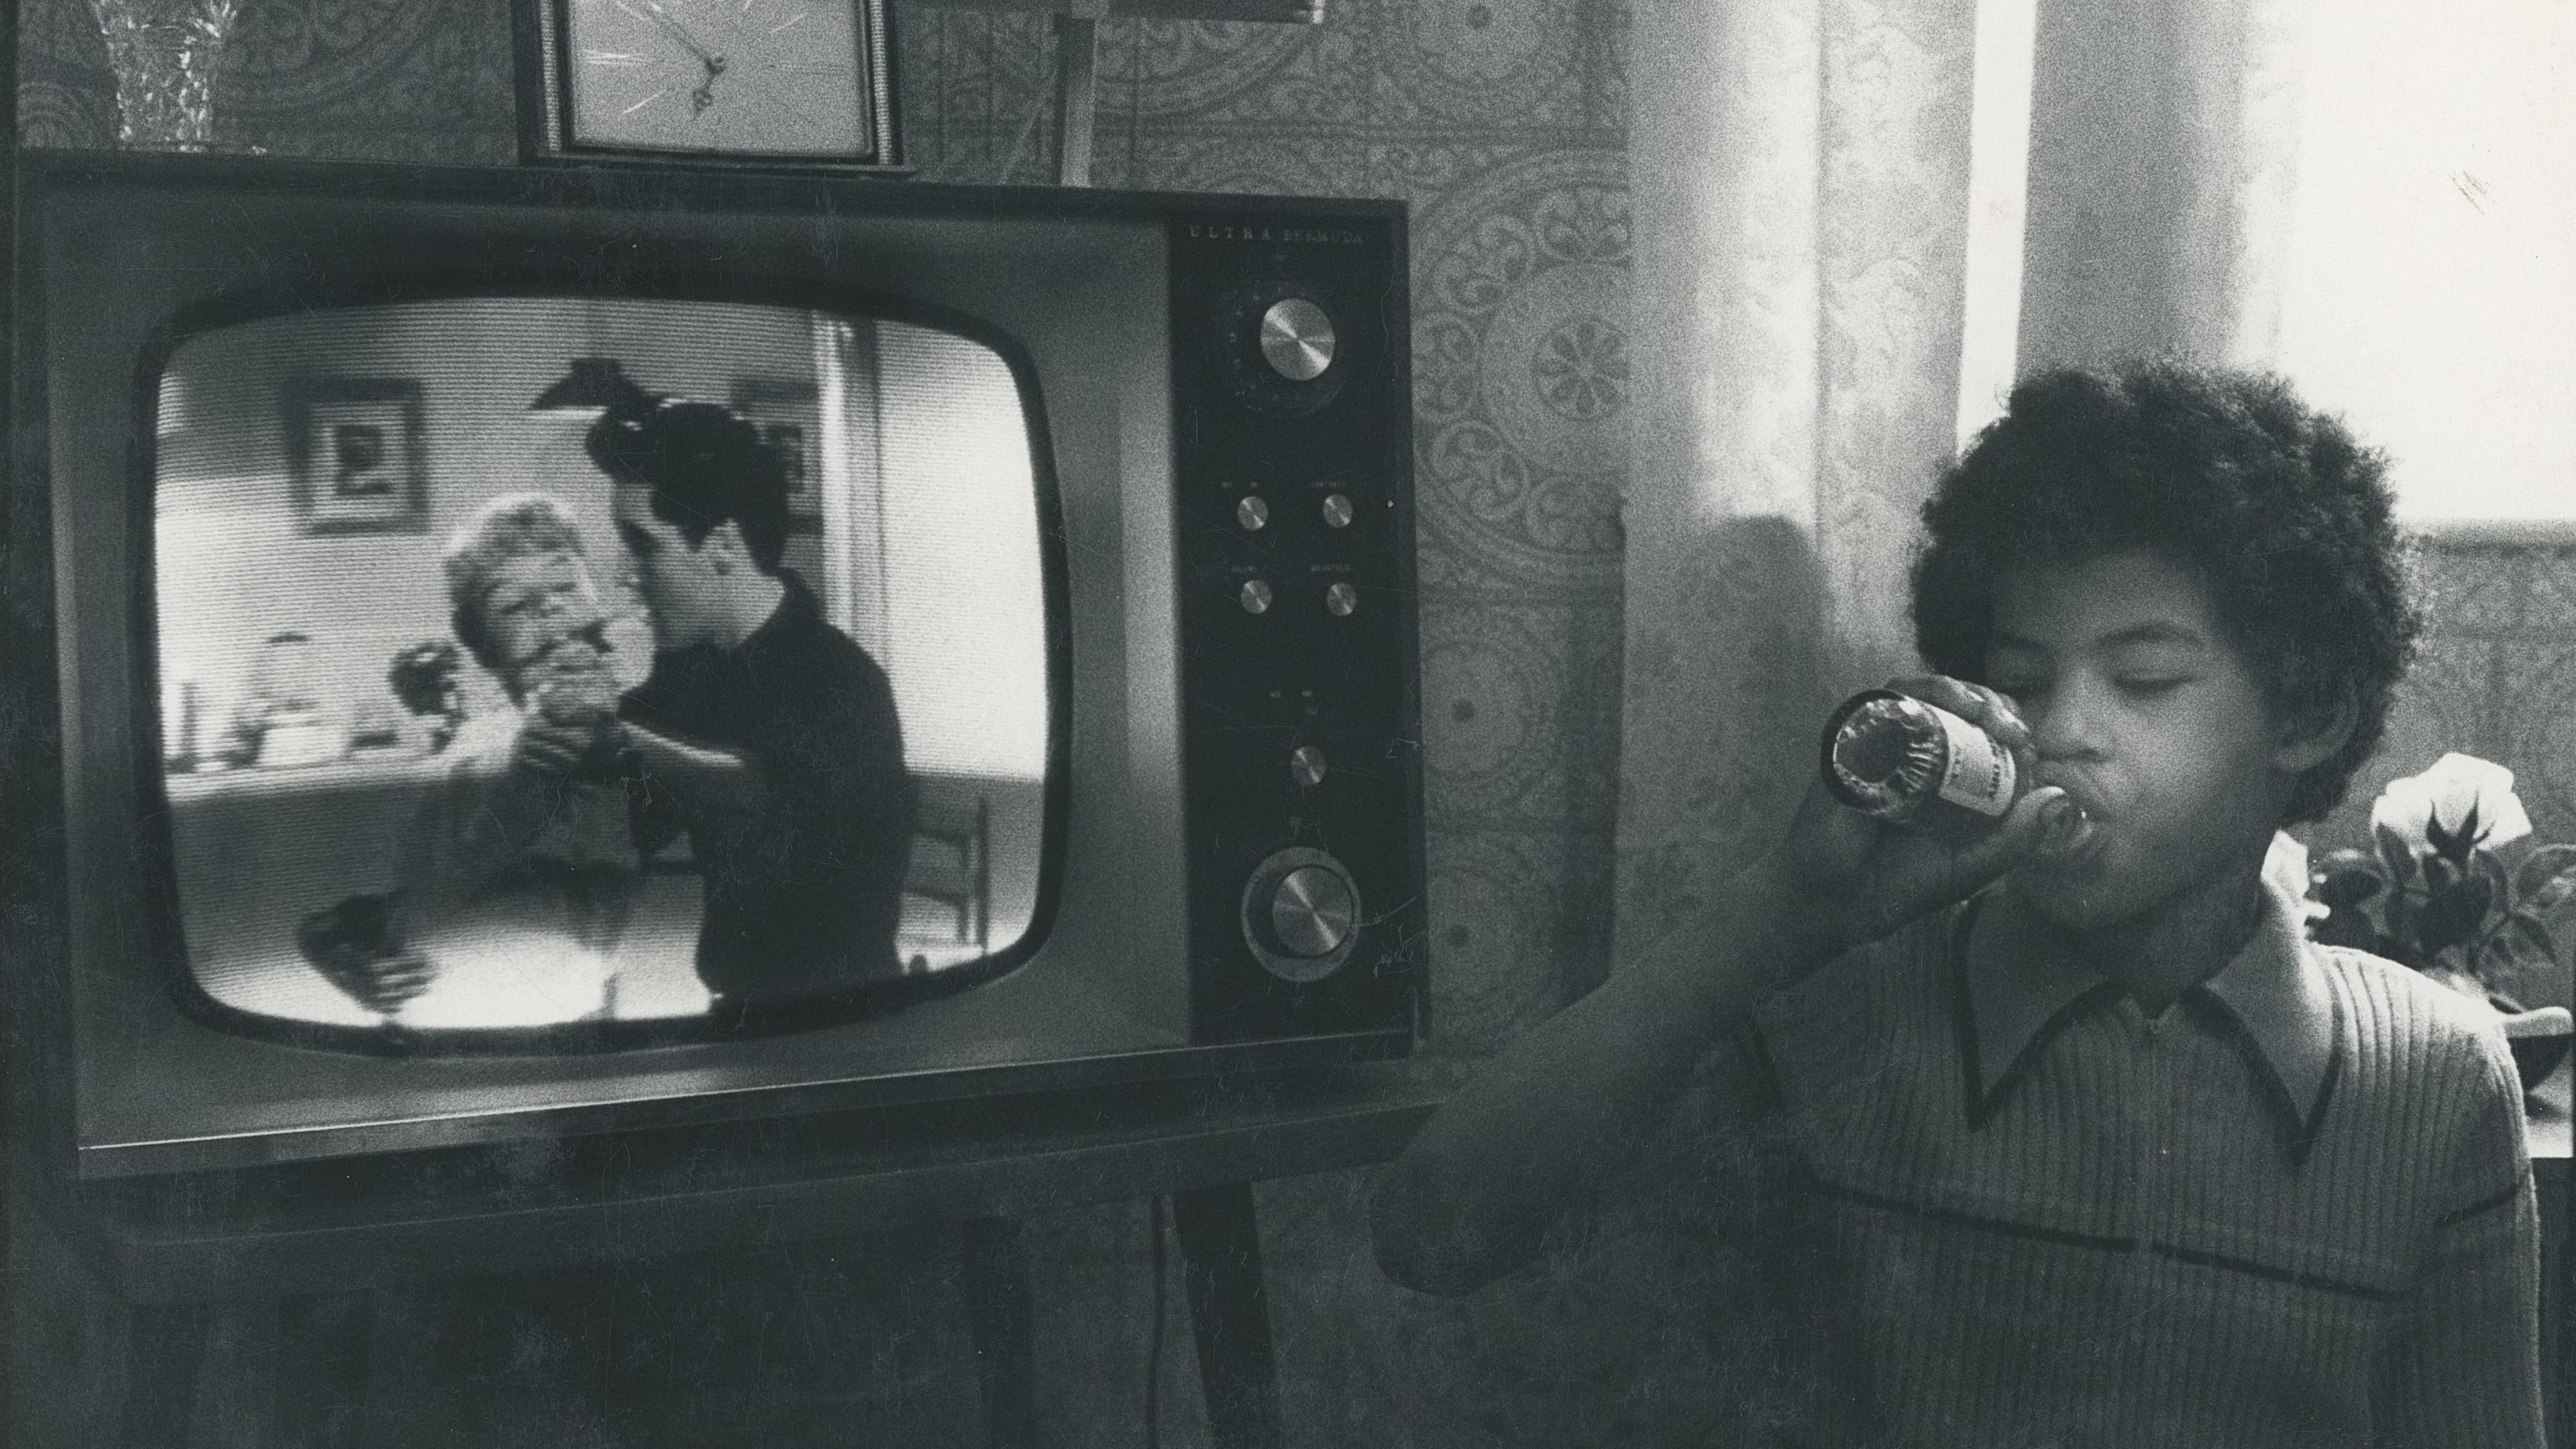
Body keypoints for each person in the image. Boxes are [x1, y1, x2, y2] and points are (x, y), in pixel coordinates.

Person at [1371, 364, 2542, 1446]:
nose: (2065, 728)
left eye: (2143, 679)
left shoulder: (2433, 1085)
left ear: (2308, 716)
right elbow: (1435, 1230)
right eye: (2023, 678)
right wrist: (1790, 910)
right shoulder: (1849, 1016)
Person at [584, 393, 916, 1013]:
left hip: (841, 1034)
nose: (628, 577)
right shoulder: (696, 673)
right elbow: (627, 823)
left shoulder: (841, 683)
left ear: (722, 548)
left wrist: (621, 739)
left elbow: (768, 799)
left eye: (642, 547)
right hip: (738, 1015)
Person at [342, 494, 645, 1025]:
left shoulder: (639, 737)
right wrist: (351, 955)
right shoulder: (465, 764)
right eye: (514, 605)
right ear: (481, 644)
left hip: (585, 1016)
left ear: (599, 605)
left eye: (566, 585)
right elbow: (380, 910)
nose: (550, 610)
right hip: (465, 1024)